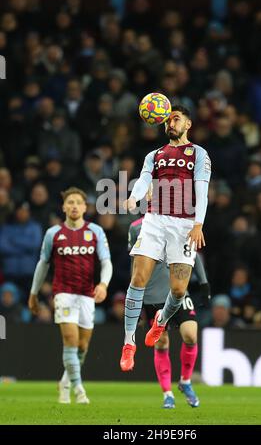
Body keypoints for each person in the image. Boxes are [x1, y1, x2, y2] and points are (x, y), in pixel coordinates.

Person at [120, 105, 211, 372]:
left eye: (176, 119)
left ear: (188, 124)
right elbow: (143, 179)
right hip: (155, 220)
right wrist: (134, 197)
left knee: (179, 290)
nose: (170, 124)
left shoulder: (199, 154)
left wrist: (198, 224)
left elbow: (201, 191)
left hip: (183, 224)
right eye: (167, 121)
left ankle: (160, 321)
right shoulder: (155, 154)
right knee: (138, 278)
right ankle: (129, 344)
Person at [28, 187, 113, 404]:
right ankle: (79, 390)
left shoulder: (95, 231)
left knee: (82, 346)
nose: (74, 206)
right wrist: (33, 293)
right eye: (70, 202)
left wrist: (103, 284)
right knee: (70, 340)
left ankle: (65, 381)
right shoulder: (53, 233)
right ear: (64, 207)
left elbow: (106, 262)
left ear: (85, 207)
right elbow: (43, 264)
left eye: (78, 202)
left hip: (87, 294)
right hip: (63, 293)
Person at [128, 216, 210, 408]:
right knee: (161, 342)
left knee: (190, 335)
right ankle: (167, 393)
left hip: (177, 291)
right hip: (151, 296)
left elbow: (191, 254)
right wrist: (135, 299)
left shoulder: (182, 220)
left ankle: (186, 381)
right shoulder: (135, 228)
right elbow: (136, 265)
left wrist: (204, 281)